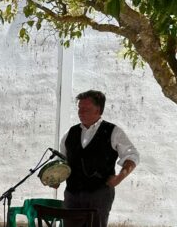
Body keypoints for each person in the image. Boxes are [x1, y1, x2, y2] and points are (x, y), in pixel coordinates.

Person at [57, 90, 140, 227]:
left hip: (99, 194)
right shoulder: (70, 133)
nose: (81, 112)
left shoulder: (113, 131)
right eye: (79, 108)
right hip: (72, 194)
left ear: (98, 110)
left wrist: (120, 177)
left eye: (86, 109)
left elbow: (132, 155)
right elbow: (63, 162)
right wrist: (56, 178)